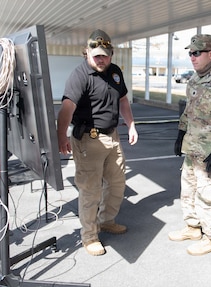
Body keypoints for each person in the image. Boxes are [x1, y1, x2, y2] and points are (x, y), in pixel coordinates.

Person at [57, 29, 138, 256]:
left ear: (111, 54)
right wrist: (61, 136)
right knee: (90, 190)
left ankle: (106, 220)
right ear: (87, 53)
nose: (101, 60)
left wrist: (131, 125)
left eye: (105, 55)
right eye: (97, 56)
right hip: (88, 140)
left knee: (116, 183)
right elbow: (66, 109)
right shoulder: (80, 75)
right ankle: (89, 236)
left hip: (112, 136)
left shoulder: (115, 72)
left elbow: (123, 100)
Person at [168, 34, 211, 256]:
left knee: (209, 194)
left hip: (210, 151)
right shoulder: (194, 80)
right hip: (192, 148)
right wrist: (181, 134)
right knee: (188, 190)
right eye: (190, 53)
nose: (193, 57)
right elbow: (188, 112)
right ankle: (192, 227)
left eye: (197, 53)